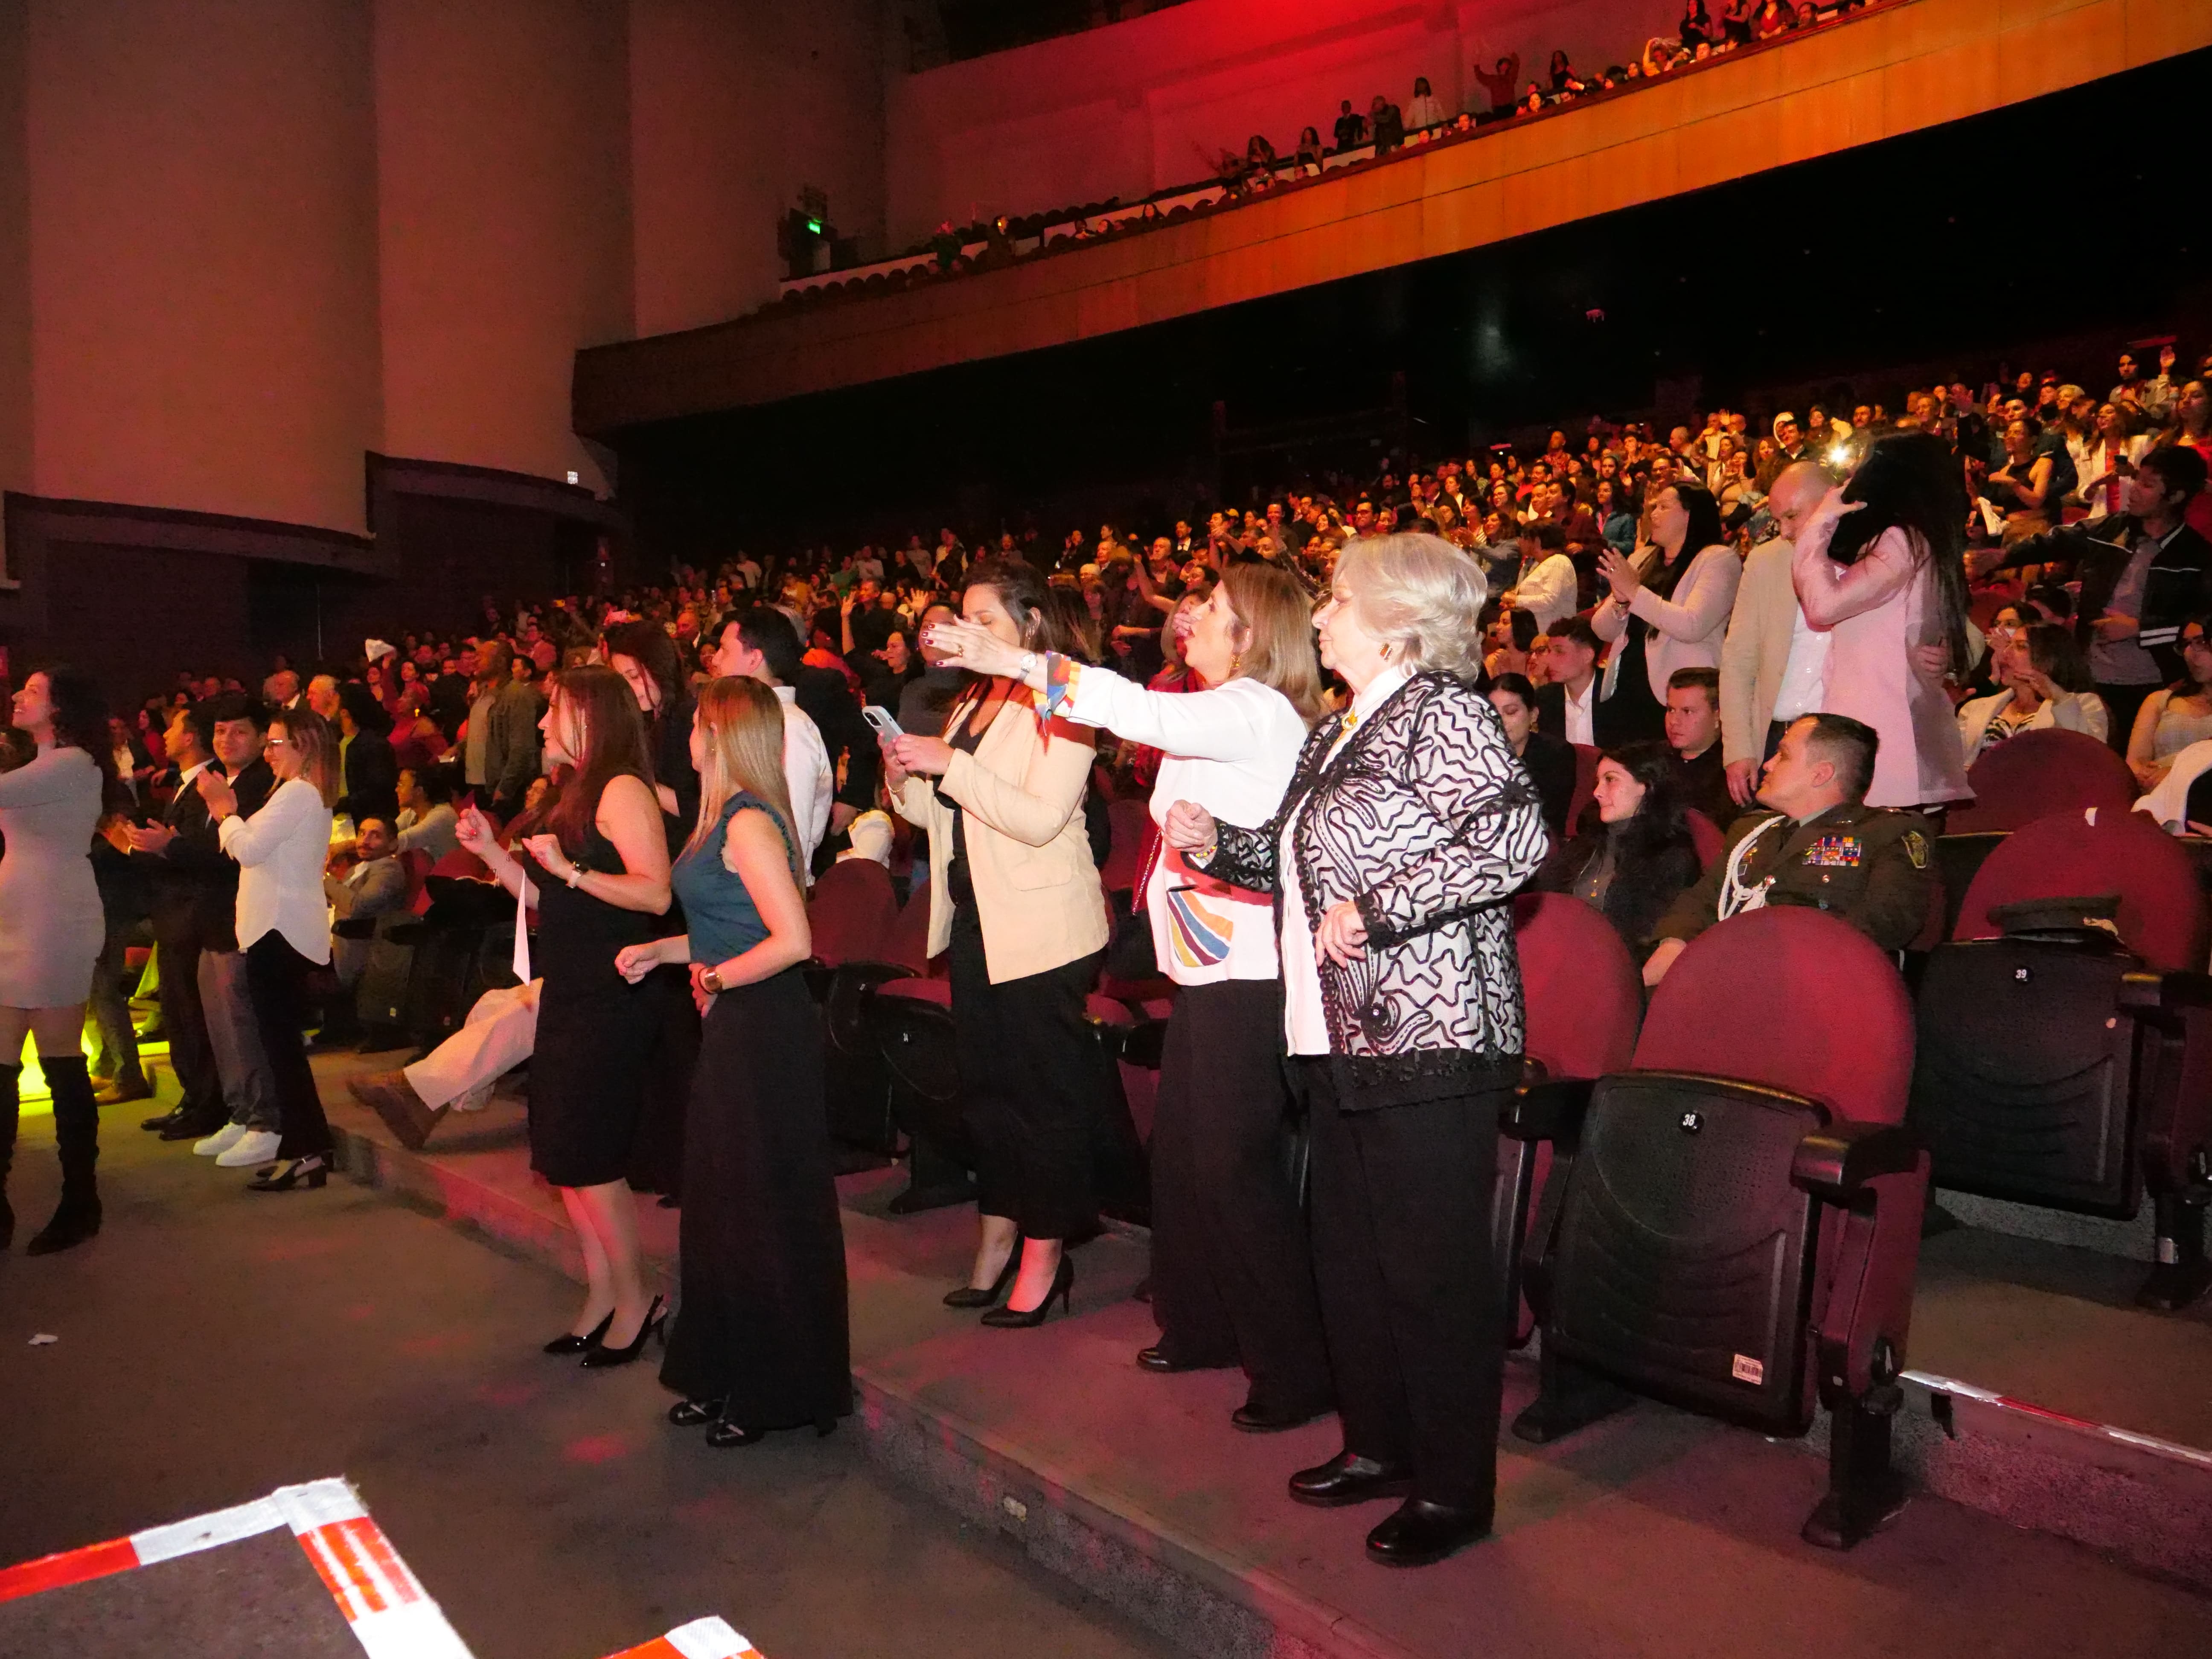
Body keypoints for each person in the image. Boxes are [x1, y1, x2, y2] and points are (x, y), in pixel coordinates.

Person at [1165, 534, 1548, 1568]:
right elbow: (1298, 867)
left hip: (1429, 1035)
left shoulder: (1441, 710)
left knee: (1427, 1271)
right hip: (1332, 1039)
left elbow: (1516, 840)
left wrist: (1379, 912)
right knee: (1350, 1258)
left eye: (1336, 598)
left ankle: (1452, 1487)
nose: (1319, 614)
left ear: (1391, 618)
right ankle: (1379, 1446)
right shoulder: (1338, 724)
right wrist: (1217, 848)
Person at [928, 562, 1335, 1431]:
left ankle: (1295, 1368)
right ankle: (1202, 1324)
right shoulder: (1217, 710)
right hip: (1202, 963)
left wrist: (1020, 661)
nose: (1195, 616)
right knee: (1186, 1160)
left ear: (1253, 633)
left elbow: (1133, 711)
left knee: (1233, 1168)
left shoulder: (1254, 707)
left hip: (1247, 973)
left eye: (1216, 609)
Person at [615, 678, 850, 1447]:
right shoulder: (722, 817)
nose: (686, 737)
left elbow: (792, 940)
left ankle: (776, 1387)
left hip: (763, 1027)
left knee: (758, 1209)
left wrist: (715, 977)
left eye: (695, 727)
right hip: (738, 1022)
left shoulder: (748, 822)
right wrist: (664, 950)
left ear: (718, 737)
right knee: (721, 1208)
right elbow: (727, 927)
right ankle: (723, 1370)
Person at [883, 557, 1112, 1328]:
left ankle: (1046, 1253)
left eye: (985, 619)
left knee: (1038, 1096)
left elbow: (1039, 816)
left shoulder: (1067, 693)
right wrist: (905, 774)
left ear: (1031, 625)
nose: (968, 631)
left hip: (1043, 926)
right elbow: (944, 814)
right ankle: (997, 1232)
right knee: (987, 1089)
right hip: (980, 917)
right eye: (964, 618)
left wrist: (948, 763)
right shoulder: (973, 699)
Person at [457, 666, 674, 1363]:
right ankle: (604, 1291)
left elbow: (654, 895)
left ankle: (637, 1298)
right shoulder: (573, 792)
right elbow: (549, 899)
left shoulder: (622, 788)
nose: (544, 724)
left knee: (589, 1152)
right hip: (573, 984)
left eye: (555, 712)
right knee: (564, 1154)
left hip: (614, 990)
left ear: (591, 717)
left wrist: (575, 872)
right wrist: (491, 850)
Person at [1645, 713, 1933, 985]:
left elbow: (1885, 921)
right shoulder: (1751, 830)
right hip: (1724, 976)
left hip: (1813, 989)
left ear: (1820, 775)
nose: (1768, 764)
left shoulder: (1886, 832)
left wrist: (1771, 959)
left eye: (1783, 755)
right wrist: (1671, 948)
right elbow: (1703, 901)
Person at [196, 707, 341, 1192]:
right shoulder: (299, 793)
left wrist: (224, 810)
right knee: (282, 1049)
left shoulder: (299, 792)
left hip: (277, 931)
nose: (270, 751)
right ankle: (307, 1148)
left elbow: (249, 850)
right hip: (275, 928)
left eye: (278, 743)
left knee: (282, 1049)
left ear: (305, 746)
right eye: (271, 743)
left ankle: (307, 1149)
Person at [1791, 434, 1974, 812]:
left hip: (1884, 732)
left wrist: (1818, 524)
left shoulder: (1900, 541)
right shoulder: (1918, 540)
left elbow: (1823, 607)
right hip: (1886, 724)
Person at [0, 669, 112, 1254]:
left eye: (33, 691)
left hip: (54, 918)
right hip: (17, 915)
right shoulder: (41, 763)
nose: (19, 696)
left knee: (60, 1058)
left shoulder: (73, 762)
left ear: (62, 708)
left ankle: (80, 1201)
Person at [2000, 445, 2212, 749]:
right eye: (2137, 480)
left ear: (2176, 496)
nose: (2135, 490)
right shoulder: (2115, 527)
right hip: (2089, 675)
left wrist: (2141, 628)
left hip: (2148, 683)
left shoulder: (2196, 555)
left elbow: (2198, 626)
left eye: (2148, 485)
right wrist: (2002, 556)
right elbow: (2057, 540)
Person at [1593, 480, 1741, 745]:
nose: (1654, 514)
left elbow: (1692, 625)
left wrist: (1635, 593)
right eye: (1653, 507)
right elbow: (1601, 629)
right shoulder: (1643, 557)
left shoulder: (1718, 559)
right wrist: (1619, 601)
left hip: (1680, 698)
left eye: (1663, 507)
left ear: (1689, 514)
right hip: (1627, 686)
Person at [1538, 740, 1701, 958]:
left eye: (1611, 780)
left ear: (1645, 786)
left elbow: (1643, 944)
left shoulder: (1670, 857)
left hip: (1615, 969)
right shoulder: (1590, 841)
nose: (1597, 792)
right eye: (1598, 782)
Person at [704, 608, 834, 873]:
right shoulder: (746, 720)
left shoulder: (790, 727)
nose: (715, 660)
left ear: (754, 659)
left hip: (766, 891)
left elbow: (791, 834)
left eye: (724, 651)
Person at [1956, 623, 2109, 765]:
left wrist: (2059, 697)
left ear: (2050, 659)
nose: (2005, 653)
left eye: (2021, 647)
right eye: (2008, 645)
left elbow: (2091, 758)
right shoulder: (1976, 707)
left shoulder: (2084, 705)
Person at [2124, 616, 2212, 792]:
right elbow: (2134, 762)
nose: (2189, 654)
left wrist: (2177, 775)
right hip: (2158, 797)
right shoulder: (2160, 700)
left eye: (2201, 642)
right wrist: (2146, 776)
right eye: (2185, 645)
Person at [1487, 671, 1576, 838]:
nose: (1500, 721)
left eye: (1511, 712)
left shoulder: (1556, 754)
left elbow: (1550, 819)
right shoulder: (1480, 753)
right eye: (1493, 714)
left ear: (1533, 715)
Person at [1662, 666, 1735, 826]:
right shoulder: (1654, 760)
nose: (1674, 721)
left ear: (1718, 715)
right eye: (1671, 710)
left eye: (1687, 711)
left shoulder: (1731, 772)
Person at [1532, 616, 1604, 747]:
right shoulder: (1545, 698)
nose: (1549, 660)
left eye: (1559, 652)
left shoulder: (1615, 694)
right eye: (1549, 651)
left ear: (1587, 655)